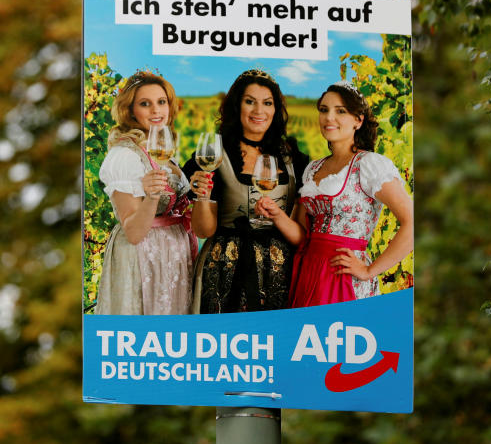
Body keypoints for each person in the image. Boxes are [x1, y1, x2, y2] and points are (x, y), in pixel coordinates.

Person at [256, 81, 414, 307]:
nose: (329, 117)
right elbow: (302, 235)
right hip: (309, 271)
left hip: (344, 275)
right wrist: (276, 215)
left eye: (340, 111)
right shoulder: (313, 168)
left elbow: (412, 222)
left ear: (358, 120)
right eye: (324, 110)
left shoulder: (369, 164)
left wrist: (369, 270)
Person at [184, 69, 309, 313]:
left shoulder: (293, 157)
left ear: (275, 109)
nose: (259, 111)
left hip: (279, 273)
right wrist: (202, 194)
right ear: (236, 106)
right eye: (249, 101)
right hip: (224, 270)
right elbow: (203, 230)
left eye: (267, 103)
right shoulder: (215, 153)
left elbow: (301, 233)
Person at [96, 71, 195, 315]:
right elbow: (133, 232)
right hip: (144, 258)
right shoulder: (124, 156)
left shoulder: (163, 151)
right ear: (130, 111)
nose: (156, 110)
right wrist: (151, 197)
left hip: (173, 257)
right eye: (145, 104)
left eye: (161, 102)